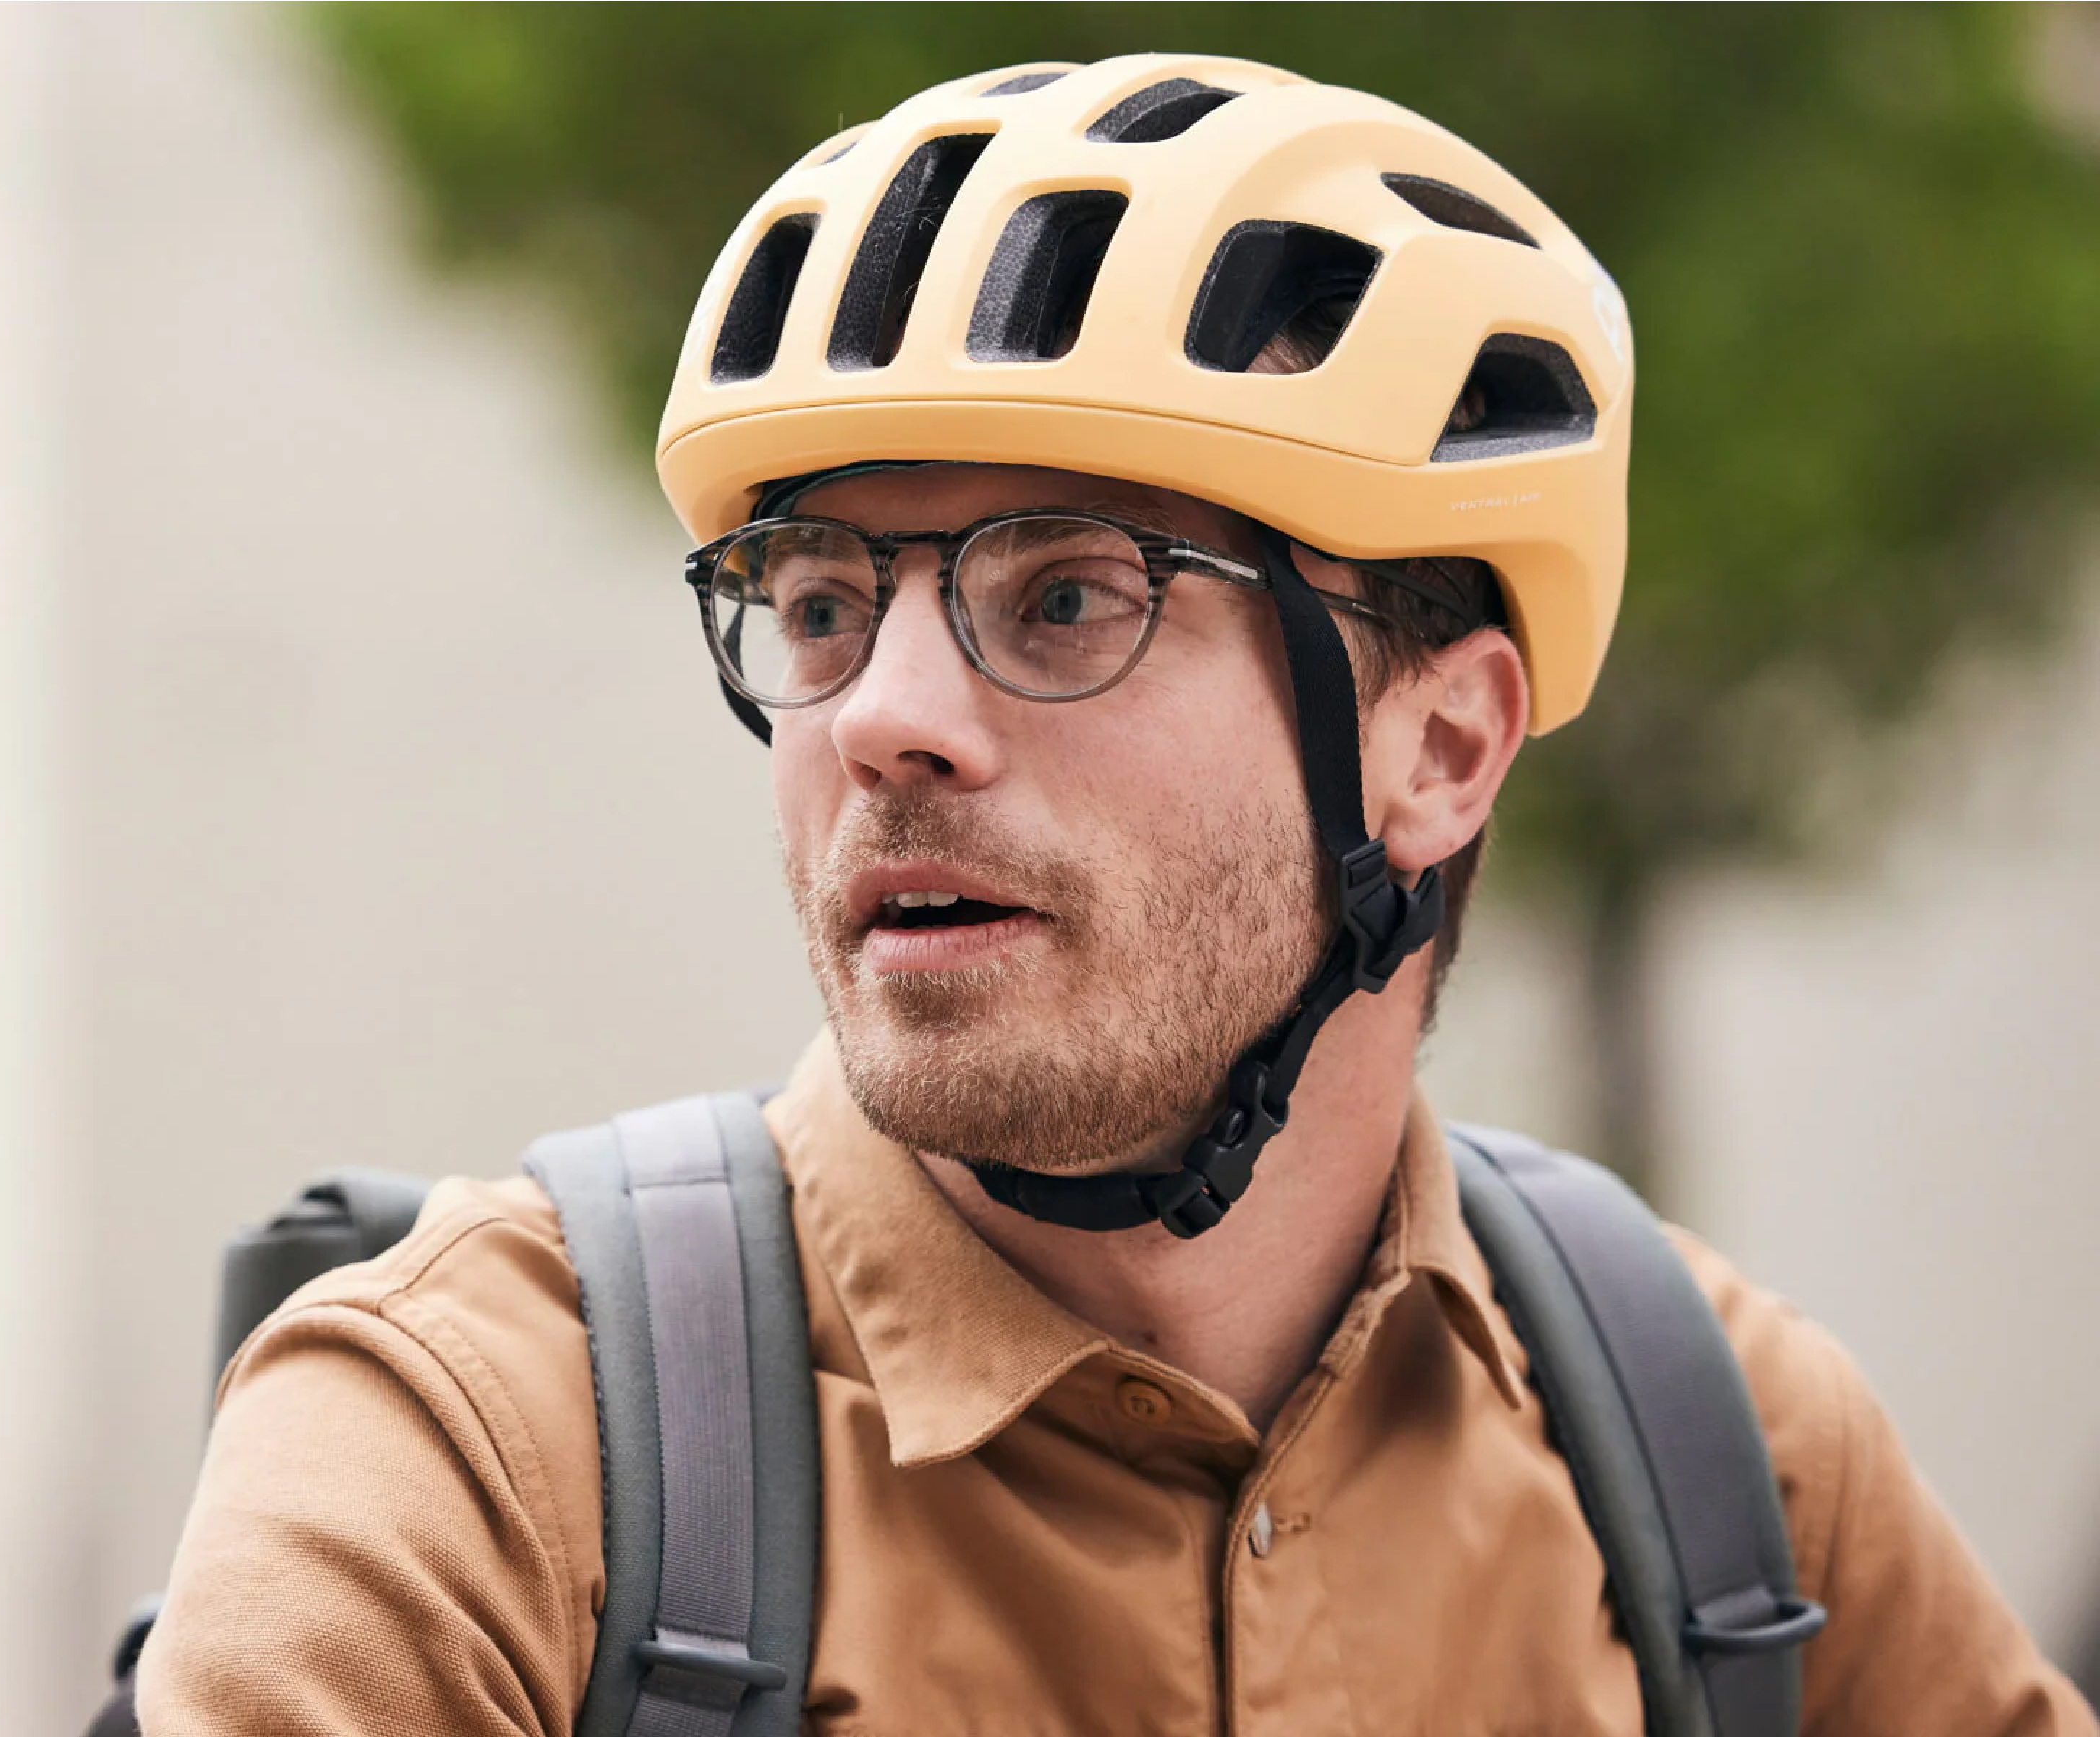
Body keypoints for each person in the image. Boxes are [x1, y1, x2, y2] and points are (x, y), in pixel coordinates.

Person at [138, 54, 2096, 1736]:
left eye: (1066, 594)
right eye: (820, 603)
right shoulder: (479, 1458)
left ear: (1439, 744)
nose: (884, 718)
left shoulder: (1722, 1460)